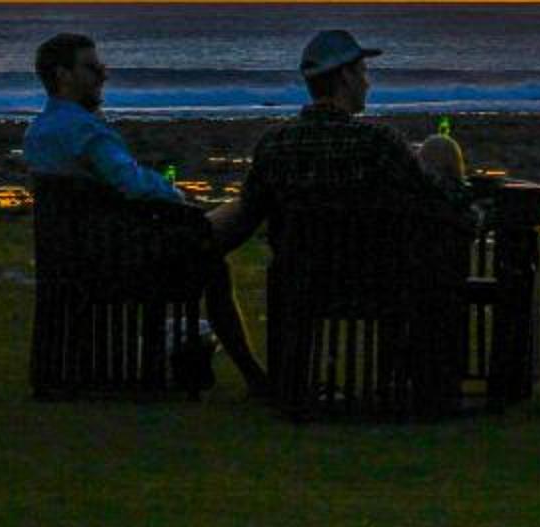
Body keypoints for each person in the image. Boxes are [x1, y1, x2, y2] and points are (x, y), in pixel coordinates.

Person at [23, 31, 268, 391]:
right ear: (63, 75)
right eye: (92, 68)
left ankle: (246, 371)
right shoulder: (87, 132)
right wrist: (176, 196)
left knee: (212, 248)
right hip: (122, 258)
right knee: (244, 212)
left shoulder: (38, 133)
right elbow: (133, 184)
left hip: (72, 258)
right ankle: (253, 374)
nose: (103, 74)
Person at [209, 29, 474, 256]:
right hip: (369, 286)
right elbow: (440, 199)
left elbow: (245, 216)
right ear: (346, 76)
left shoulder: (274, 145)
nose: (367, 84)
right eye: (363, 73)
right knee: (440, 147)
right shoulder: (379, 143)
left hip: (296, 288)